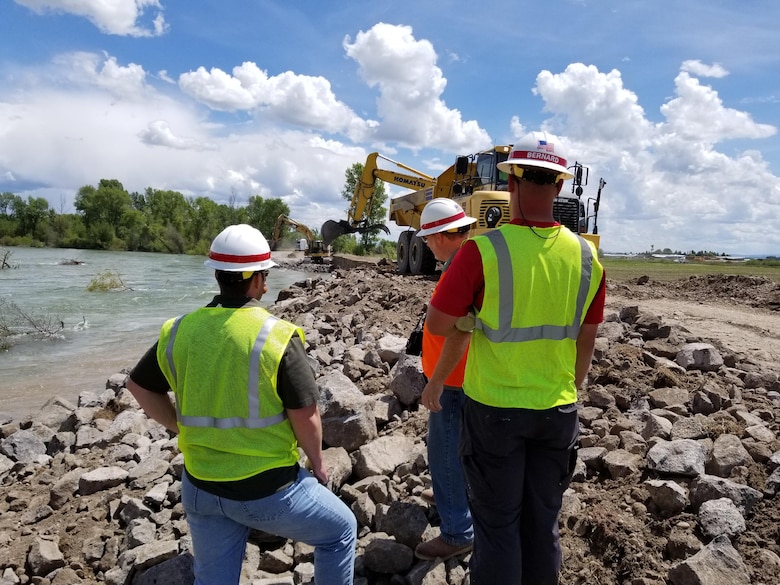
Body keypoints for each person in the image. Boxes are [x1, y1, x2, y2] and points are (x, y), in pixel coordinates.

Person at [126, 224, 357, 585]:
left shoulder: (179, 330)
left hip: (201, 487)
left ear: (217, 275)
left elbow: (138, 386)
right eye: (264, 276)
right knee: (341, 531)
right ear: (256, 280)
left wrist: (180, 427)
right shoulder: (276, 336)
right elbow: (305, 415)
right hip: (268, 492)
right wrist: (318, 463)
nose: (266, 284)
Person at [426, 131, 606, 585]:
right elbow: (587, 337)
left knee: (498, 529)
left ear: (511, 183)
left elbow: (438, 323)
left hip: (495, 413)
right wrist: (573, 385)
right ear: (561, 187)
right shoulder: (588, 258)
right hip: (557, 409)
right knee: (542, 526)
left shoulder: (482, 250)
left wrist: (472, 316)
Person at [413, 199, 476, 561]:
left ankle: (457, 533)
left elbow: (461, 331)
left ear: (440, 236)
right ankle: (457, 500)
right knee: (462, 450)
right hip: (461, 377)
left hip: (452, 381)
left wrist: (435, 380)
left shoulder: (460, 268)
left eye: (427, 238)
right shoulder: (466, 262)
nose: (425, 244)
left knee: (445, 455)